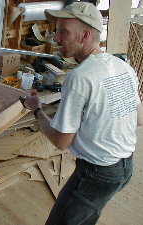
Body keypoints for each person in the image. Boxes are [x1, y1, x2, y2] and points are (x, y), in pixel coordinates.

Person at [24, 2, 143, 225]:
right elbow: (139, 118)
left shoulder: (79, 77)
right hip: (125, 167)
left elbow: (61, 141)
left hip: (97, 173)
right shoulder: (123, 66)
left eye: (63, 31)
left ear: (85, 34)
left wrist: (37, 109)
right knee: (87, 218)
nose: (56, 38)